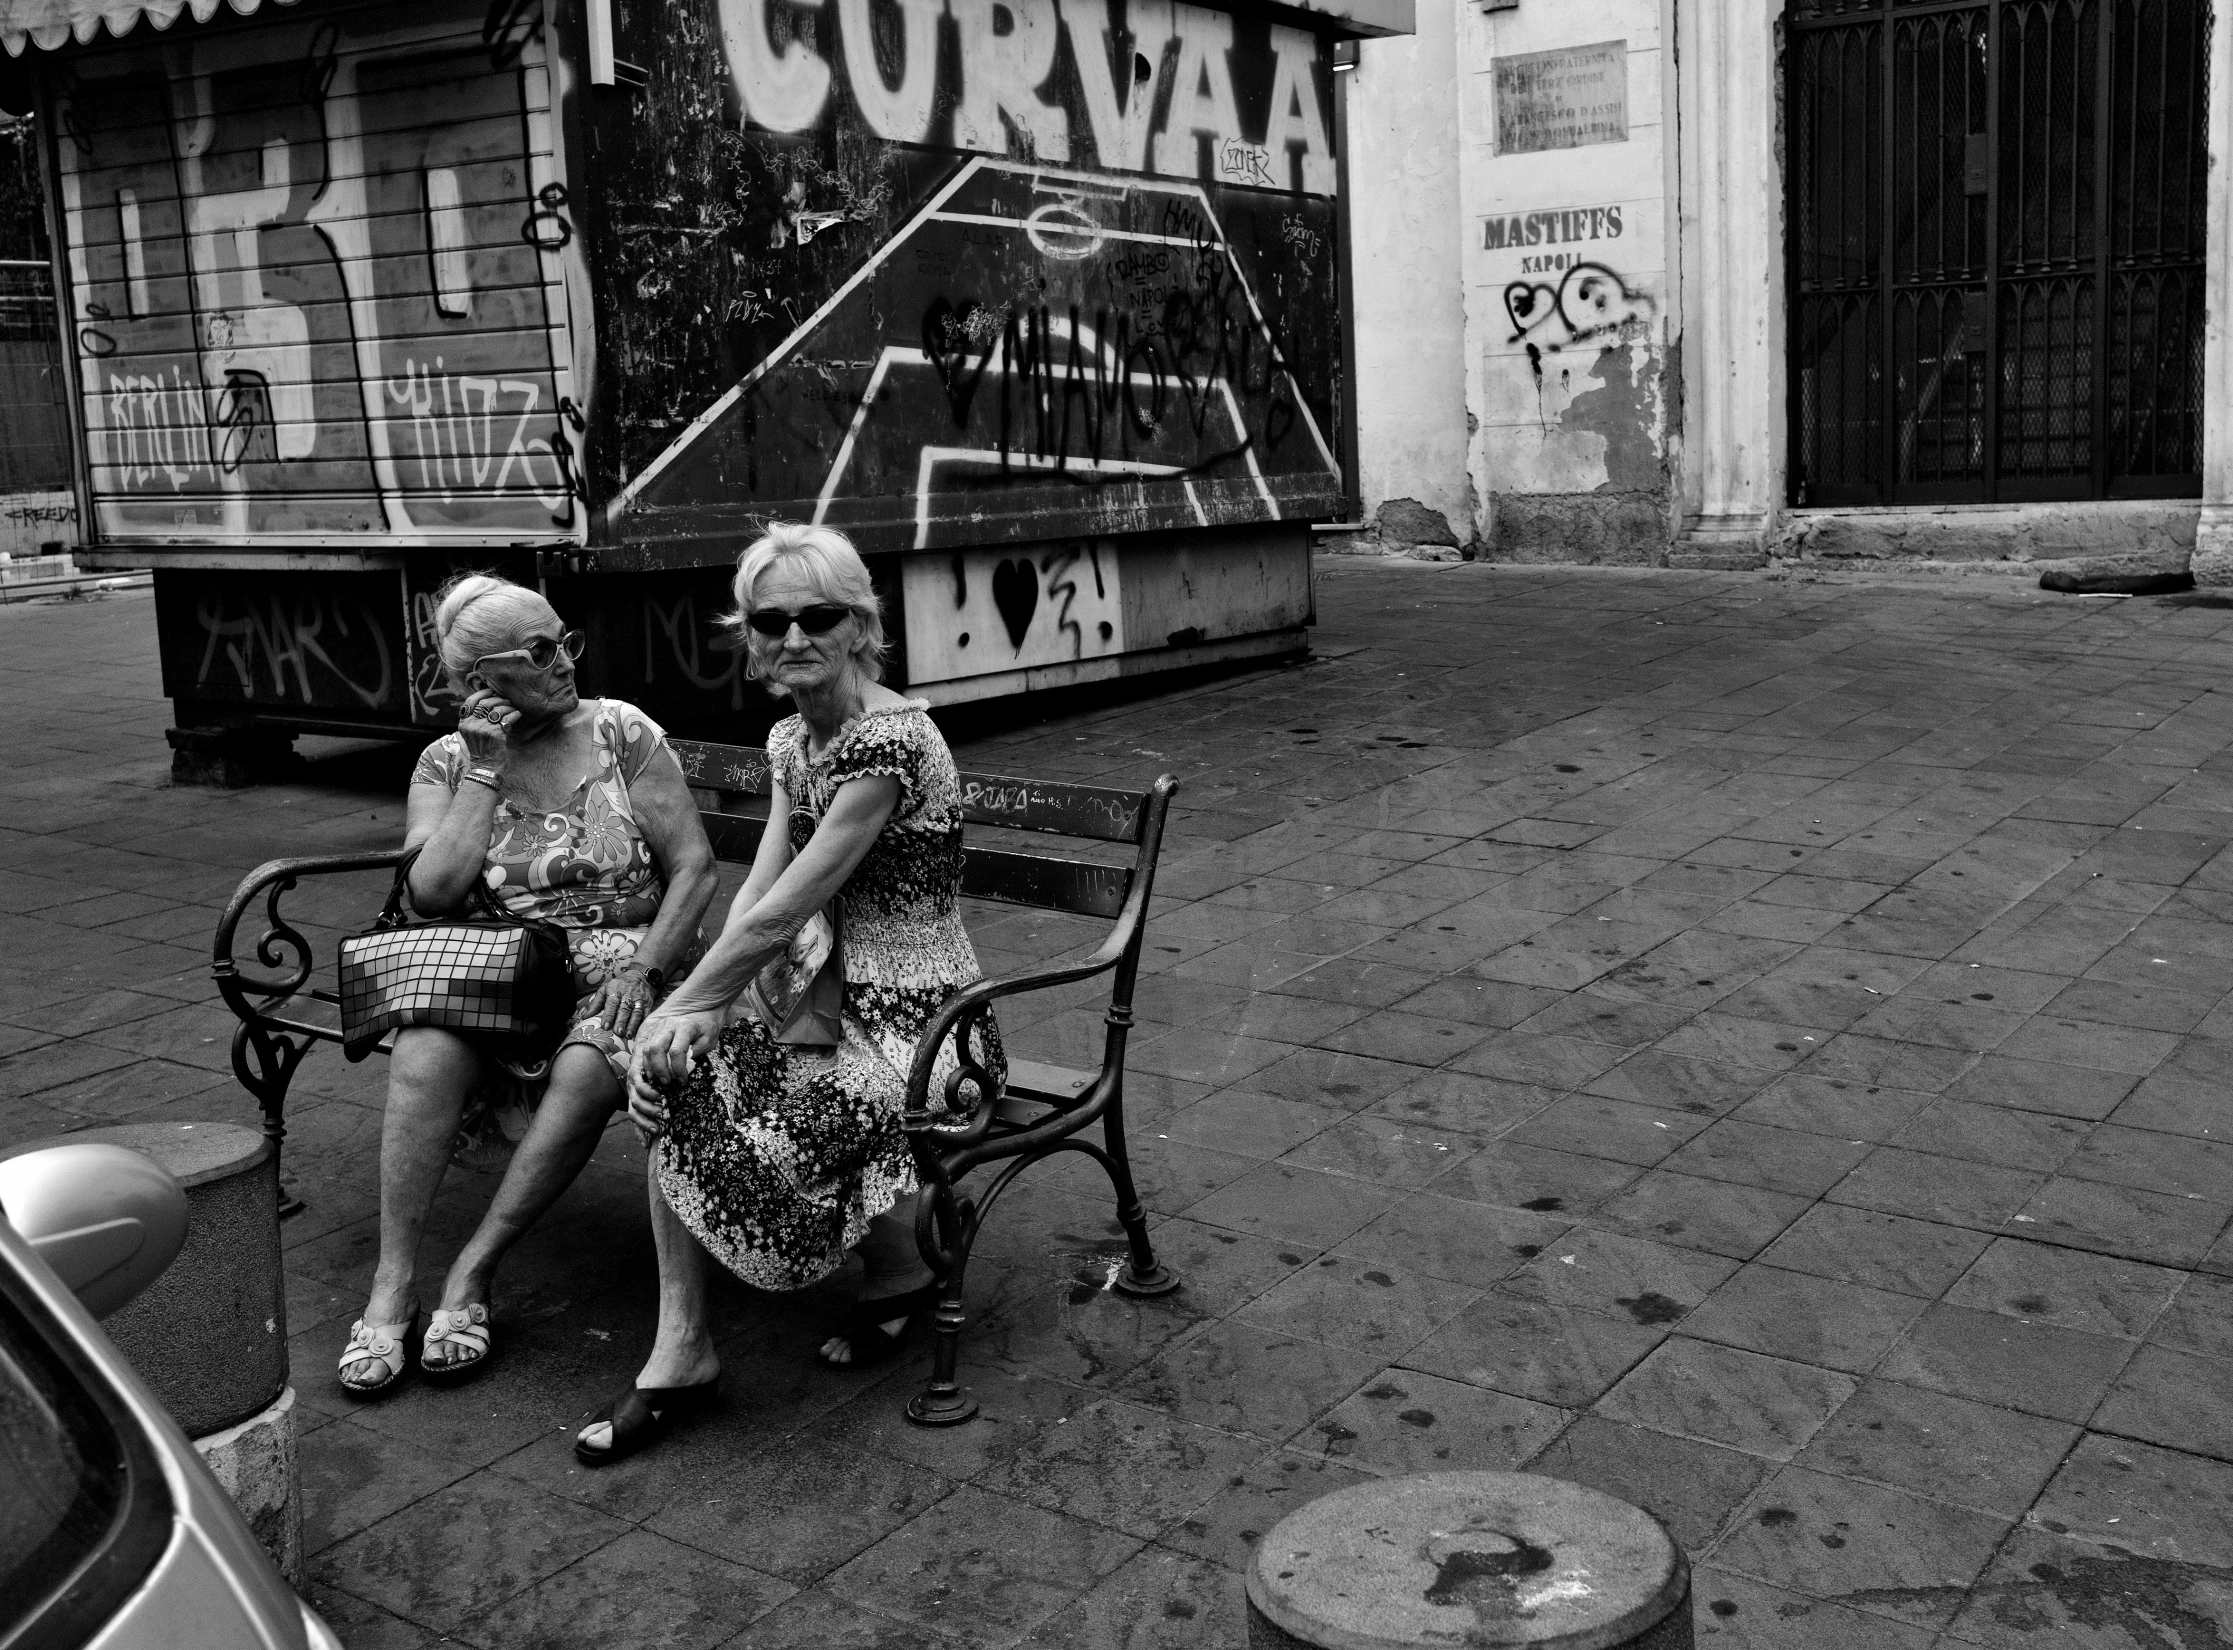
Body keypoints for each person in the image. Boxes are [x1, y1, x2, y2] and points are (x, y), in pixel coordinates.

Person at [573, 522, 1005, 1465]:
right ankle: (681, 1346)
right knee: (671, 1075)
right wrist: (692, 1018)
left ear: (860, 626)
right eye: (774, 618)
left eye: (821, 615)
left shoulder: (891, 743)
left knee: (763, 1111)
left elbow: (779, 919)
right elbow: (760, 896)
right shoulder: (790, 739)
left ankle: (900, 1258)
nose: (796, 635)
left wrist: (687, 1001)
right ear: (750, 633)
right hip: (821, 1002)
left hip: (927, 1029)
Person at [337, 573, 718, 1395]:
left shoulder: (622, 732)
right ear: (481, 681)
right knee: (427, 1045)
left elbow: (693, 868)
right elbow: (429, 894)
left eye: (564, 640)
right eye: (541, 651)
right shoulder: (445, 761)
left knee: (593, 1059)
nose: (565, 661)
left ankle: (471, 1272)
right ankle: (391, 1286)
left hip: (636, 968)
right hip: (511, 978)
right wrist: (483, 770)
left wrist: (647, 966)